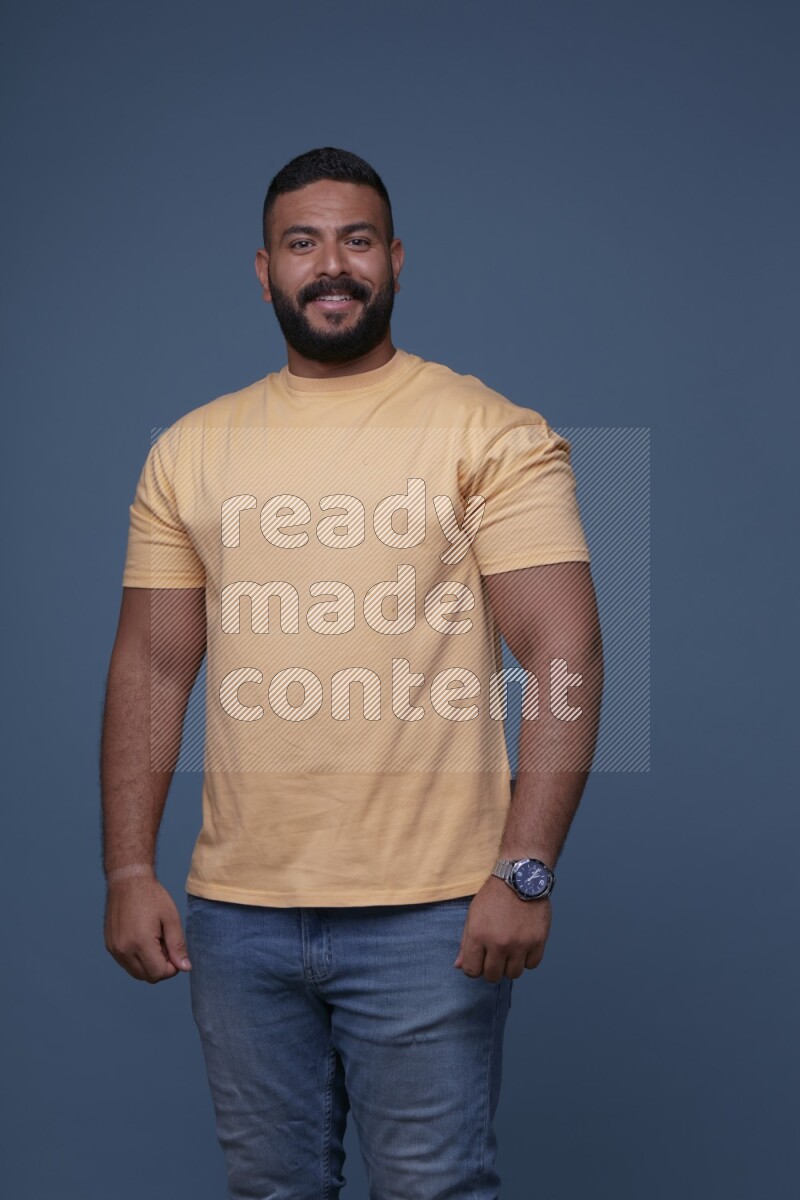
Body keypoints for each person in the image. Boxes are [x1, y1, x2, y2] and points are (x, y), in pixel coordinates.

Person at [101, 146, 603, 1199]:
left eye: (355, 239)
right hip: (235, 914)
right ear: (264, 268)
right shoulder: (189, 449)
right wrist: (127, 869)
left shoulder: (489, 432)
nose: (331, 265)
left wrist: (524, 868)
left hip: (431, 910)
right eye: (302, 243)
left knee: (429, 1188)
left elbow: (560, 652)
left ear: (395, 259)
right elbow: (151, 666)